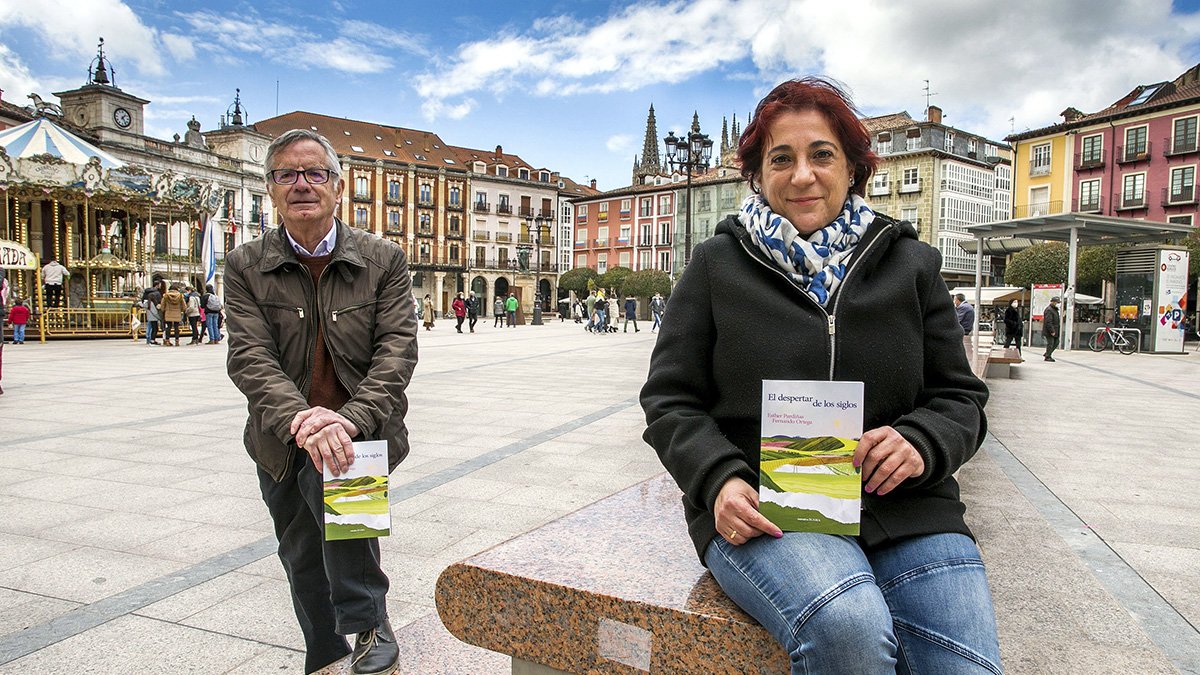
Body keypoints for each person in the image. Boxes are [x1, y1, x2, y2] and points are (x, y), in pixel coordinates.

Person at [639, 77, 1001, 674]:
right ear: (758, 173)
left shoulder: (911, 264)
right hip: (768, 505)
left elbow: (961, 398)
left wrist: (923, 441)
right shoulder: (716, 265)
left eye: (821, 154)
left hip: (908, 509)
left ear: (854, 167)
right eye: (781, 158)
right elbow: (670, 398)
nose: (802, 174)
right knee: (847, 628)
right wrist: (718, 480)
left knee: (966, 667)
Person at [224, 129, 416, 675]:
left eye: (314, 173)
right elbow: (250, 357)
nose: (301, 184)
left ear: (338, 186)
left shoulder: (383, 261)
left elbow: (397, 352)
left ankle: (372, 624)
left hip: (360, 429)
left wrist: (347, 420)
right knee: (302, 554)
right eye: (287, 174)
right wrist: (302, 420)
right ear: (271, 188)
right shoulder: (245, 265)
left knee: (349, 525)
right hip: (282, 438)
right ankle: (326, 652)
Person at [141, 276, 163, 345]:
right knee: (154, 327)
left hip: (148, 310)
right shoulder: (156, 293)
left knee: (149, 325)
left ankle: (148, 338)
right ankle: (152, 339)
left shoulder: (147, 292)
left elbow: (143, 301)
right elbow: (158, 303)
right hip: (153, 312)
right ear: (157, 285)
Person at [1043, 296, 1061, 362]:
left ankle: (1048, 353)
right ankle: (1048, 356)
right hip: (1050, 330)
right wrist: (1052, 330)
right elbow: (1048, 321)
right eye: (1056, 302)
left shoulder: (1054, 310)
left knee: (1056, 342)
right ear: (1053, 302)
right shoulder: (1049, 310)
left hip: (1055, 329)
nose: (1057, 304)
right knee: (1050, 343)